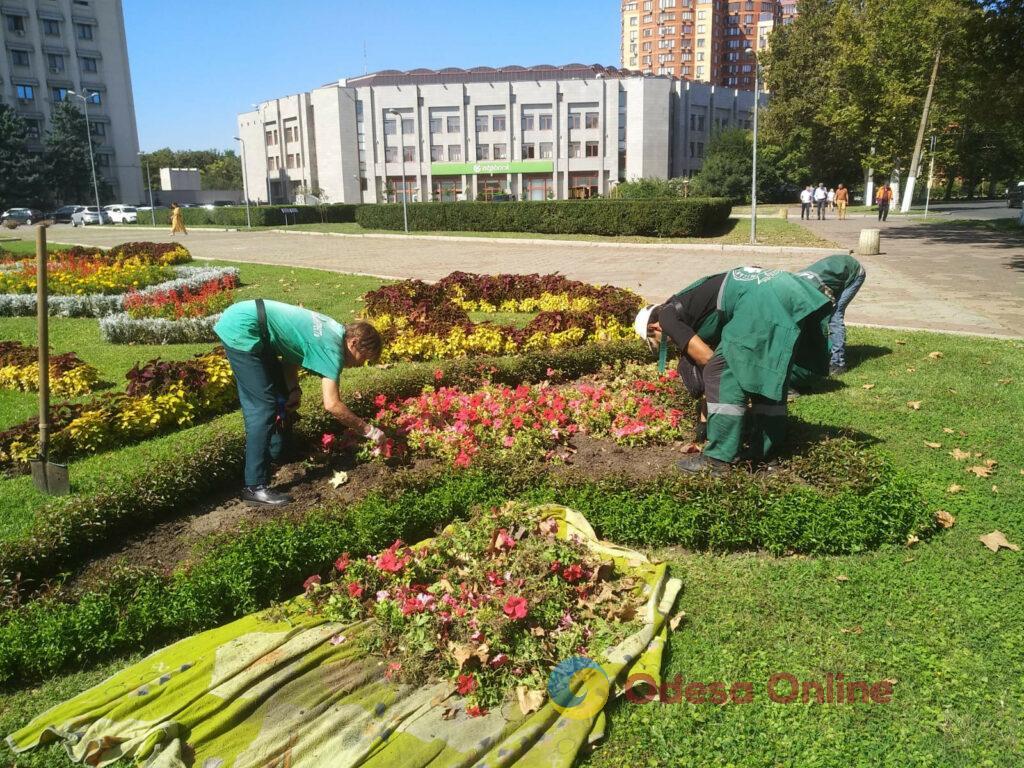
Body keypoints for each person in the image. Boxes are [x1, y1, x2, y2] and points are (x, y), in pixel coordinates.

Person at [635, 267, 831, 475]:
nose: (671, 343)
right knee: (764, 377)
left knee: (721, 372)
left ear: (654, 328)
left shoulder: (667, 317)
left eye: (657, 342)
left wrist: (709, 419)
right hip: (791, 289)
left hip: (760, 300)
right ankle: (765, 456)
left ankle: (718, 459)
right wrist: (704, 419)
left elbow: (708, 360)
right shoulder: (692, 304)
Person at [214, 299, 386, 505]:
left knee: (280, 398)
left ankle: (280, 455)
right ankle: (254, 487)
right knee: (263, 408)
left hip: (255, 324)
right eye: (363, 357)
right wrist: (368, 430)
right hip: (243, 328)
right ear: (354, 343)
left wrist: (293, 388)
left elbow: (293, 353)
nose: (359, 364)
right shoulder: (333, 350)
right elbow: (332, 405)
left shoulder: (334, 330)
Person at [795, 254, 866, 375]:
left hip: (854, 273)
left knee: (835, 315)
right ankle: (823, 352)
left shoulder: (819, 288)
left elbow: (827, 306)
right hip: (835, 270)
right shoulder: (796, 282)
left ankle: (838, 363)